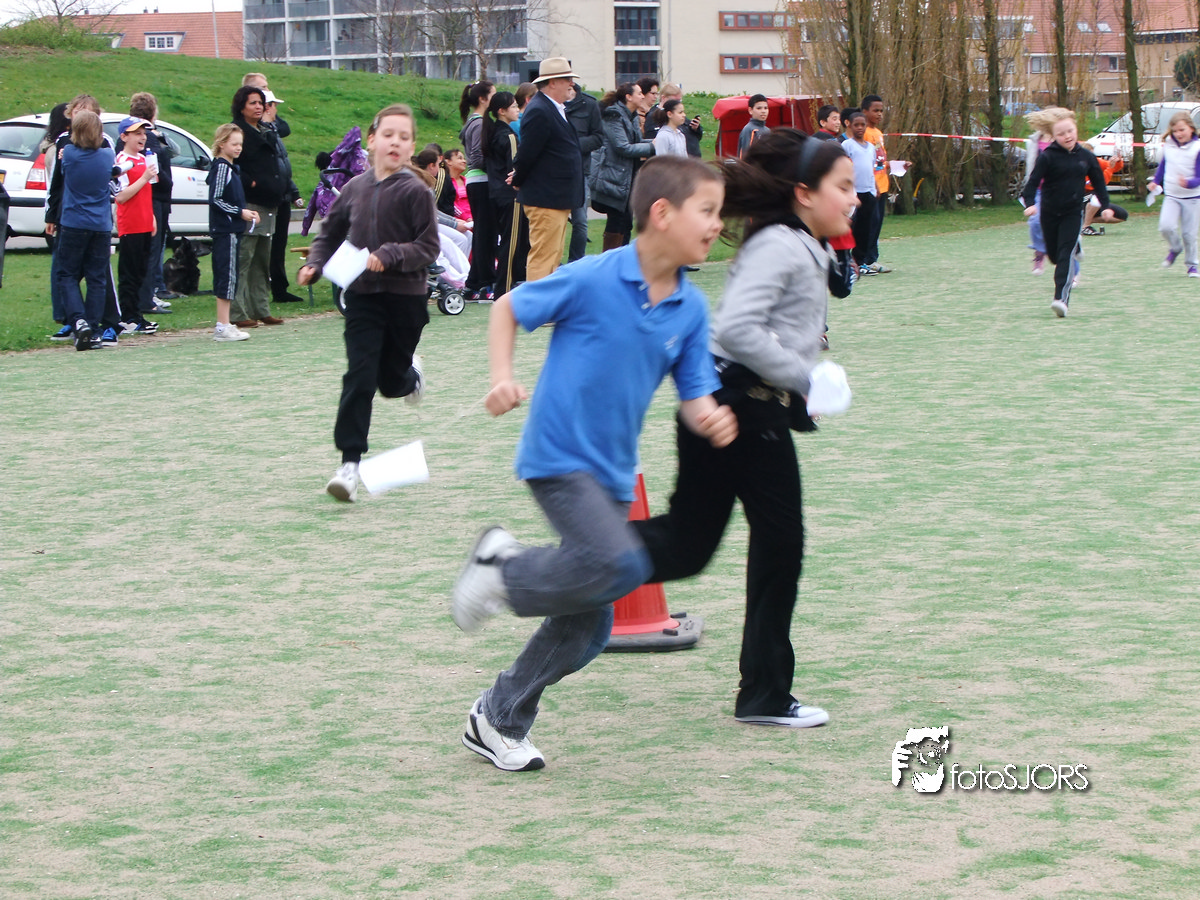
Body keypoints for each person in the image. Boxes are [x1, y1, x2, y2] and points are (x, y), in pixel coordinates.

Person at [450, 155, 738, 772]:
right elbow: (507, 309)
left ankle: (496, 717)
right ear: (662, 214)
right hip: (557, 456)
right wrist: (501, 377)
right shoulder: (593, 277)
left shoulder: (690, 310)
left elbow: (695, 397)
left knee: (588, 628)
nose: (718, 224)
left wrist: (712, 418)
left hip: (612, 476)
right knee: (620, 563)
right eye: (708, 211)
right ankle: (501, 570)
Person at [633, 128, 858, 729]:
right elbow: (736, 329)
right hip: (738, 406)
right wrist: (806, 379)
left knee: (687, 544)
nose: (854, 197)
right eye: (843, 186)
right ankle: (763, 694)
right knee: (769, 544)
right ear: (804, 193)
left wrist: (799, 389)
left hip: (740, 405)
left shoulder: (797, 242)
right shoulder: (783, 244)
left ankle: (543, 566)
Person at [297, 103, 440, 502]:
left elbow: (428, 247)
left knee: (390, 384)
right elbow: (329, 234)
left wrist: (391, 254)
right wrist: (314, 263)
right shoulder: (354, 188)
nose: (396, 142)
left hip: (406, 300)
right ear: (372, 141)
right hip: (361, 297)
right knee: (359, 376)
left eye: (404, 137)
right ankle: (349, 465)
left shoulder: (417, 191)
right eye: (388, 134)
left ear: (411, 147)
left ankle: (410, 376)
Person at [1020, 111, 1115, 318]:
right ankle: (1076, 246)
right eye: (1061, 133)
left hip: (1072, 213)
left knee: (1065, 255)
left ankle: (1060, 300)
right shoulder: (1047, 157)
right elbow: (1032, 183)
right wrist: (1030, 204)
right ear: (1054, 136)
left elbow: (1099, 184)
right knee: (1055, 256)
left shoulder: (1086, 157)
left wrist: (1106, 205)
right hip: (1049, 213)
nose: (1067, 136)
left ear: (1076, 130)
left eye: (1070, 131)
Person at [511, 57, 584, 282]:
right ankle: (536, 303)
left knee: (553, 257)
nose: (571, 83)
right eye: (566, 79)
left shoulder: (553, 108)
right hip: (545, 197)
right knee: (544, 257)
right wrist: (518, 178)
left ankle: (547, 301)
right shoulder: (540, 110)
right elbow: (527, 153)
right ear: (552, 82)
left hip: (556, 197)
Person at [55, 110, 115, 352]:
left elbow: (62, 167)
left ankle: (79, 321)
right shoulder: (107, 155)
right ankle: (94, 329)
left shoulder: (69, 153)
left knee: (67, 275)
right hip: (100, 225)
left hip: (74, 222)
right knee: (97, 278)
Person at [230, 85, 287, 328]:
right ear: (241, 106)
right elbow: (228, 162)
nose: (258, 107)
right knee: (244, 258)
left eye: (260, 103)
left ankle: (261, 308)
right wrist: (249, 181)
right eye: (252, 102)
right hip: (249, 201)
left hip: (270, 201)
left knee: (262, 260)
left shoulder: (266, 130)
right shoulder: (236, 131)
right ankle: (237, 312)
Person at [208, 123, 259, 342]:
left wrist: (245, 213)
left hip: (232, 229)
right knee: (226, 277)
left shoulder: (231, 168)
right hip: (225, 230)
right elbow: (216, 199)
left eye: (240, 144)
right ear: (222, 144)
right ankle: (222, 326)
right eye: (234, 144)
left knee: (231, 276)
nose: (238, 148)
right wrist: (240, 212)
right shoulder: (221, 168)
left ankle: (226, 323)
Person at [591, 82, 655, 251]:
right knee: (617, 222)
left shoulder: (631, 116)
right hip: (613, 177)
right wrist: (652, 147)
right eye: (639, 93)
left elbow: (637, 142)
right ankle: (610, 261)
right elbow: (623, 147)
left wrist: (657, 141)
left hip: (627, 177)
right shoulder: (614, 115)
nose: (643, 96)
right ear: (628, 97)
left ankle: (621, 261)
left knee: (626, 223)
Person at [129, 93, 177, 313]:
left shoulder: (150, 135)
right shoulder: (149, 138)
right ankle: (147, 297)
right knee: (152, 249)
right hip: (154, 198)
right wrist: (167, 183)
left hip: (152, 197)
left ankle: (148, 294)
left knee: (150, 249)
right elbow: (154, 168)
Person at [113, 117, 159, 342]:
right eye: (137, 133)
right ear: (124, 137)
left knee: (141, 271)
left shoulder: (144, 159)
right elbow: (121, 196)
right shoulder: (122, 161)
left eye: (143, 133)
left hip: (144, 222)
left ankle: (137, 314)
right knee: (129, 273)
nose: (142, 137)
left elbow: (146, 192)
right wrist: (143, 177)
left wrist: (151, 216)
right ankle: (128, 316)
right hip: (130, 224)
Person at [262, 89, 307, 306]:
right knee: (267, 246)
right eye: (273, 106)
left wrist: (293, 193)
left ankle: (280, 288)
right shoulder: (263, 132)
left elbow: (282, 166)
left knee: (279, 244)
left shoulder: (273, 130)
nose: (276, 111)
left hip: (282, 194)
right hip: (270, 197)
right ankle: (270, 288)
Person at [483, 91, 529, 295]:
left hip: (497, 193)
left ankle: (508, 285)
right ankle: (504, 289)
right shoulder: (508, 136)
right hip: (510, 195)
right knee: (512, 243)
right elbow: (514, 168)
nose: (518, 110)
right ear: (502, 111)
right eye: (514, 107)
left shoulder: (492, 132)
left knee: (510, 241)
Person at [460, 80, 497, 302]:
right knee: (486, 233)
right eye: (493, 95)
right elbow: (476, 156)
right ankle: (486, 282)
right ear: (483, 99)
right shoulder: (479, 123)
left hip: (476, 181)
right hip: (481, 181)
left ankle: (474, 282)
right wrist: (496, 165)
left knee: (484, 232)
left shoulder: (474, 122)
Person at [1152, 110, 1200, 277]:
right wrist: (1155, 181)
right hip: (1172, 195)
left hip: (1193, 197)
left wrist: (1188, 183)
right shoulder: (1169, 145)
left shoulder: (1197, 148)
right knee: (1166, 226)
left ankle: (1192, 266)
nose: (1178, 134)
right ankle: (1175, 247)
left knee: (1189, 234)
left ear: (1191, 128)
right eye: (1175, 131)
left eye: (1182, 130)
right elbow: (1163, 166)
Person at [565, 81, 604, 262]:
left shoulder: (589, 104)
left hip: (580, 171)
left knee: (580, 221)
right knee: (555, 222)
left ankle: (576, 262)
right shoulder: (552, 103)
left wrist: (573, 145)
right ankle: (554, 263)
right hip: (555, 172)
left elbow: (598, 137)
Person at [859, 94, 892, 274]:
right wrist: (873, 184)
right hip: (871, 187)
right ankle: (864, 260)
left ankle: (873, 258)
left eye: (881, 111)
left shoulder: (878, 133)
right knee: (870, 224)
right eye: (875, 110)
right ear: (865, 111)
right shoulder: (863, 133)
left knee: (877, 223)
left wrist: (893, 165)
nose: (879, 114)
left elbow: (879, 160)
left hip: (882, 184)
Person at [843, 111, 877, 272]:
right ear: (849, 125)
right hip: (853, 194)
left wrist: (873, 189)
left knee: (865, 228)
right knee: (851, 227)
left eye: (862, 125)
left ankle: (861, 261)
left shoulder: (871, 148)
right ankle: (845, 259)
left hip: (868, 193)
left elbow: (871, 170)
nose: (860, 128)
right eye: (856, 125)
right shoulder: (847, 145)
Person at [648, 83, 704, 157]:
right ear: (664, 98)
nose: (678, 103)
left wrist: (695, 129)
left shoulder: (680, 134)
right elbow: (660, 156)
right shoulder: (655, 118)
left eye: (680, 100)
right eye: (675, 100)